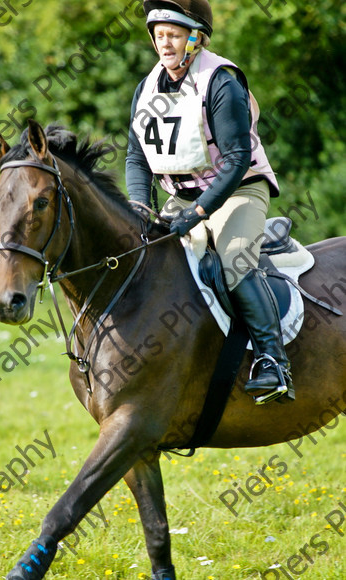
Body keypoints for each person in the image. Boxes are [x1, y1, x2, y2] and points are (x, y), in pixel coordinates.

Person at [126, 0, 293, 405]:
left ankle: (274, 362)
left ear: (195, 39)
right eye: (159, 35)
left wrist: (199, 213)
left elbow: (236, 161)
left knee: (234, 260)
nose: (165, 44)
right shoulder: (147, 88)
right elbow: (137, 157)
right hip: (180, 197)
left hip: (237, 190)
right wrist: (138, 207)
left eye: (174, 35)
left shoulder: (221, 81)